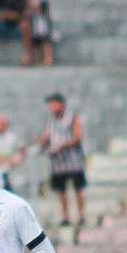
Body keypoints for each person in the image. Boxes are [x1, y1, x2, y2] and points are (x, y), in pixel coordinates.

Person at [38, 92, 86, 227]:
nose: (51, 107)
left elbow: (77, 137)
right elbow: (46, 137)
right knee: (61, 191)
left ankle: (81, 215)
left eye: (53, 104)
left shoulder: (72, 118)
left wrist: (62, 146)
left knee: (78, 188)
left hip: (73, 160)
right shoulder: (51, 121)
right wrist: (42, 143)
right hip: (58, 163)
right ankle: (65, 216)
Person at [27, 0, 54, 66]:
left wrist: (33, 5)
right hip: (35, 27)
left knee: (46, 43)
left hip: (43, 26)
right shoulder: (32, 0)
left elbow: (41, 11)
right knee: (36, 43)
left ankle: (48, 59)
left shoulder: (43, 0)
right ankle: (38, 59)